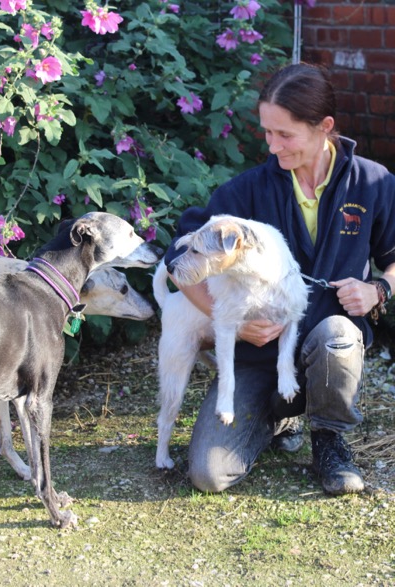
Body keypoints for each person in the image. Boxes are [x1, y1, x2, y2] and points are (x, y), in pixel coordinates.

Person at [164, 62, 395, 495]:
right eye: (267, 132)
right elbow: (179, 259)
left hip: (327, 343)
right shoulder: (247, 191)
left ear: (325, 127)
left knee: (339, 334)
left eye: (285, 134)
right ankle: (280, 416)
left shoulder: (372, 183)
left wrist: (379, 288)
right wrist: (229, 322)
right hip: (258, 355)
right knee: (209, 474)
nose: (272, 146)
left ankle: (329, 440)